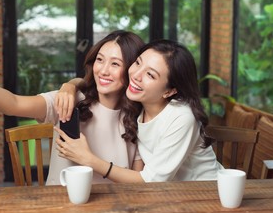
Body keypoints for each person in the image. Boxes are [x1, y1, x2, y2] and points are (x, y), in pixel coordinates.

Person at [0, 30, 145, 185]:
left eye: (115, 64)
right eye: (100, 60)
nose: (103, 70)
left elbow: (138, 184)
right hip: (60, 207)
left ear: (131, 70)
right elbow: (13, 104)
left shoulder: (139, 117)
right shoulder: (69, 101)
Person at [55, 39, 224, 182]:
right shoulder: (137, 103)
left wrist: (89, 159)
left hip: (206, 193)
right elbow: (88, 81)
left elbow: (152, 181)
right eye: (137, 63)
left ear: (170, 91)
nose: (136, 75)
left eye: (150, 75)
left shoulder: (182, 116)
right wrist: (69, 86)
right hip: (167, 196)